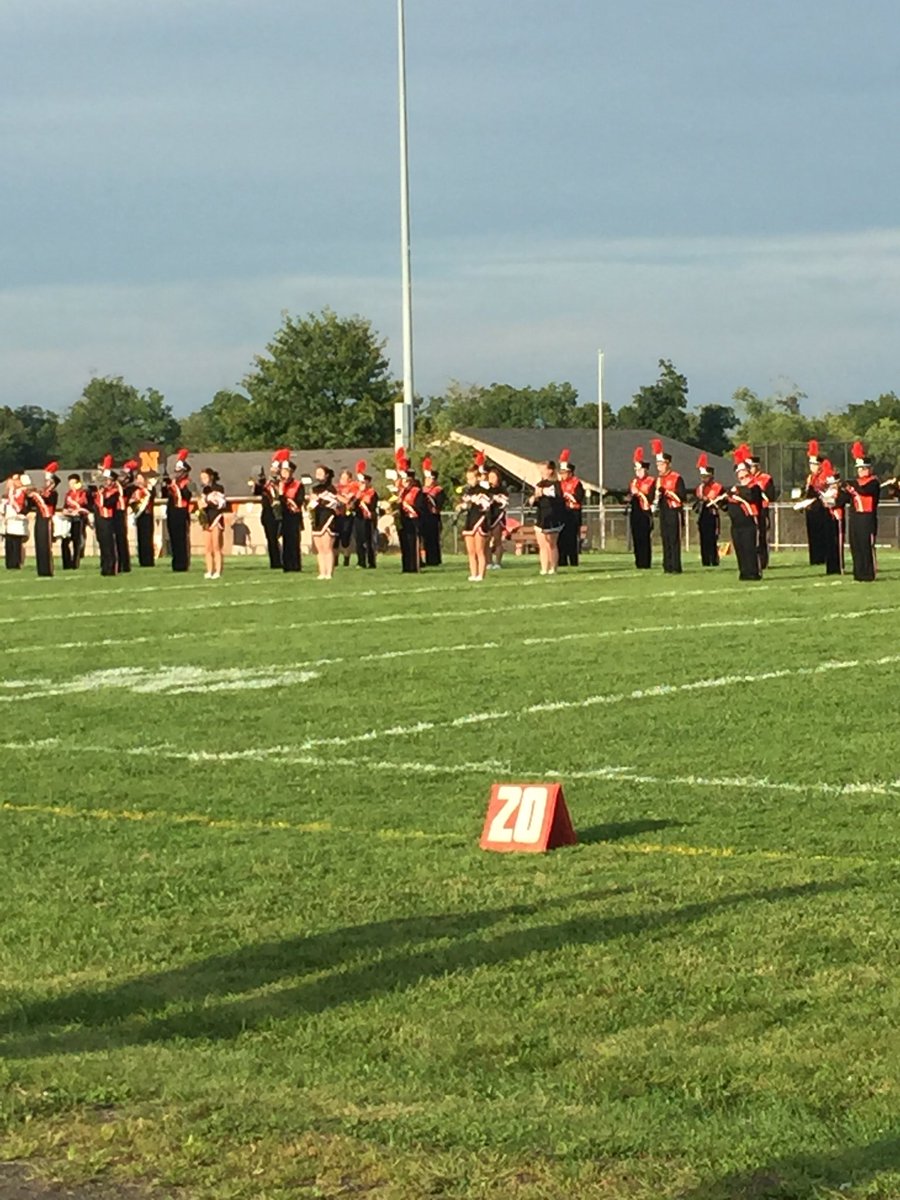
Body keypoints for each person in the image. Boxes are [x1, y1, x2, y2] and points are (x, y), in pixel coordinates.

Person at [719, 454, 763, 580]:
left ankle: (754, 573)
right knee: (740, 549)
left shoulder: (754, 487)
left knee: (750, 548)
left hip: (749, 523)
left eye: (743, 471)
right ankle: (743, 572)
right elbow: (727, 506)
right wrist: (723, 500)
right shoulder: (736, 488)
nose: (741, 474)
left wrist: (736, 492)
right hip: (736, 524)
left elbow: (751, 497)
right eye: (738, 472)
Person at [841, 441, 880, 582]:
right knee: (855, 545)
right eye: (859, 468)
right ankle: (858, 573)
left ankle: (868, 573)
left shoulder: (873, 482)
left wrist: (851, 486)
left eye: (863, 468)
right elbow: (846, 498)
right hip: (855, 517)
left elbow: (864, 491)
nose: (860, 471)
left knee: (865, 545)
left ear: (868, 469)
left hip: (867, 517)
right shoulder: (856, 483)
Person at [652, 439, 686, 574]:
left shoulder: (677, 478)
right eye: (657, 464)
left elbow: (682, 497)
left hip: (674, 510)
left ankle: (676, 566)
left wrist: (666, 492)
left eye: (661, 464)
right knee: (665, 538)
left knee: (674, 539)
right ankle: (667, 565)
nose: (659, 467)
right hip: (664, 510)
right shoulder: (658, 479)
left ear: (668, 464)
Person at [528, 460, 566, 576]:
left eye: (543, 470)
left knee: (551, 544)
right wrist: (534, 498)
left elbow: (558, 497)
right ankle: (544, 568)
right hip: (541, 516)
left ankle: (553, 567)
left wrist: (544, 492)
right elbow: (536, 502)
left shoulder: (557, 484)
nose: (541, 472)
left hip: (553, 516)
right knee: (542, 545)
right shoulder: (540, 484)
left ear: (550, 471)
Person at [457, 464, 491, 581]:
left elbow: (486, 506)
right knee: (471, 551)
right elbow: (467, 504)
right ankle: (473, 573)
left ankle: (481, 574)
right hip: (470, 520)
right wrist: (462, 506)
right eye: (468, 478)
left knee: (479, 550)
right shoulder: (468, 491)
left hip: (480, 520)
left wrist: (475, 500)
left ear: (478, 478)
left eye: (471, 478)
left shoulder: (483, 491)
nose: (469, 481)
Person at [309, 464, 342, 579]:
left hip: (328, 518)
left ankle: (329, 572)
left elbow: (336, 503)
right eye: (316, 472)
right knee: (319, 549)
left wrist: (323, 500)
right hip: (317, 518)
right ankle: (322, 572)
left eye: (320, 472)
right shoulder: (314, 489)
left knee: (327, 547)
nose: (317, 474)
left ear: (327, 475)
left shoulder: (332, 489)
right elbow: (311, 503)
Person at [747, 451, 779, 570]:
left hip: (763, 510)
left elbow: (771, 496)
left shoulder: (766, 478)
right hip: (750, 510)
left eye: (751, 467)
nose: (750, 470)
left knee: (763, 536)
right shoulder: (747, 480)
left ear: (757, 466)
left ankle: (763, 561)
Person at [396, 448, 425, 574]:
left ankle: (414, 566)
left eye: (407, 480)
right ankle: (406, 566)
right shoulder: (402, 491)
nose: (405, 483)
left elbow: (419, 506)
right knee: (404, 543)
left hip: (414, 519)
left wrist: (410, 508)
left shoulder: (417, 491)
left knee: (413, 543)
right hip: (403, 519)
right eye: (404, 480)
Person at [251, 455, 283, 569]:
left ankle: (285, 559)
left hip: (282, 512)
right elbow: (256, 491)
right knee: (271, 539)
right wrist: (257, 481)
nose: (274, 471)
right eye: (272, 468)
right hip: (269, 514)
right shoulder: (265, 483)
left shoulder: (282, 482)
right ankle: (275, 562)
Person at [164, 449, 192, 572]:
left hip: (182, 513)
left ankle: (183, 563)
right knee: (173, 538)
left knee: (182, 539)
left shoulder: (188, 483)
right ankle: (175, 563)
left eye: (179, 471)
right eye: (176, 471)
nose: (177, 473)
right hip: (172, 512)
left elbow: (187, 495)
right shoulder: (174, 484)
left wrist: (175, 487)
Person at [626, 447, 654, 569]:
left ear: (645, 469)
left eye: (639, 469)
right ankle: (638, 561)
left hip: (645, 511)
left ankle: (646, 562)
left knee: (645, 538)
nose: (637, 472)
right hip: (635, 511)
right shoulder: (633, 482)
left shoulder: (651, 481)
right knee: (636, 537)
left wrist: (639, 494)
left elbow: (651, 496)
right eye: (636, 469)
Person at [803, 440, 830, 566]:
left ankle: (823, 557)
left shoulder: (824, 475)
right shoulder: (810, 477)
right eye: (810, 464)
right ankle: (814, 558)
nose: (811, 466)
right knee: (812, 534)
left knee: (821, 534)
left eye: (813, 464)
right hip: (811, 508)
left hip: (821, 509)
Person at [29, 463, 58, 577]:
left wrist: (36, 495)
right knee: (39, 544)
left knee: (46, 545)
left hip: (47, 520)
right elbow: (32, 504)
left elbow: (48, 502)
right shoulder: (42, 493)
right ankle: (41, 569)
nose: (45, 483)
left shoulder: (53, 494)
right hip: (39, 519)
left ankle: (48, 570)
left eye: (48, 481)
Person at [94, 456, 122, 576]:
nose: (105, 482)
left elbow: (108, 503)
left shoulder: (114, 492)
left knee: (110, 544)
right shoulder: (102, 491)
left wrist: (100, 495)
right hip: (100, 519)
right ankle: (104, 567)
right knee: (102, 544)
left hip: (108, 520)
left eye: (108, 480)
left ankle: (112, 567)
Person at [694, 453, 723, 567]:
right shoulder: (699, 488)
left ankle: (714, 560)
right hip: (703, 514)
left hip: (713, 514)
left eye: (705, 476)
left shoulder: (717, 487)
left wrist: (708, 499)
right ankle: (705, 560)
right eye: (702, 477)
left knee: (712, 538)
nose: (703, 479)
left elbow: (718, 500)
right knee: (703, 538)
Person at [557, 448, 585, 568]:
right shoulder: (559, 484)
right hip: (562, 513)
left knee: (572, 538)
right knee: (561, 538)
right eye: (561, 472)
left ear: (570, 472)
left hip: (573, 513)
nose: (562, 475)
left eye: (564, 472)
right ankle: (562, 561)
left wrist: (569, 496)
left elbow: (579, 497)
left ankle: (573, 561)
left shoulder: (576, 483)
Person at [277, 453, 304, 573]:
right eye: (283, 471)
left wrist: (287, 499)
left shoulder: (298, 485)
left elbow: (299, 501)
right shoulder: (279, 485)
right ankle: (286, 565)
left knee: (294, 541)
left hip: (294, 516)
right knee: (285, 541)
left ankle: (295, 565)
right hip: (283, 516)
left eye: (287, 471)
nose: (284, 474)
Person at [199, 467, 228, 579]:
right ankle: (209, 570)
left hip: (216, 517)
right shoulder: (203, 490)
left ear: (211, 477)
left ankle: (218, 571)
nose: (203, 480)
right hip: (206, 518)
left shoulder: (219, 488)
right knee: (207, 547)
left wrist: (207, 501)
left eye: (205, 477)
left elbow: (220, 504)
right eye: (202, 478)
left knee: (216, 546)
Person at [819, 462, 846, 576]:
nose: (832, 486)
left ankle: (840, 567)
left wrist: (831, 502)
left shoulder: (841, 492)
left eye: (834, 484)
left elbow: (840, 502)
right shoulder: (828, 491)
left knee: (838, 543)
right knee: (829, 543)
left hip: (838, 517)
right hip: (829, 518)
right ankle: (830, 568)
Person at [61, 473, 91, 570]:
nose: (71, 485)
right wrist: (66, 511)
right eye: (70, 483)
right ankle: (66, 563)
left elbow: (87, 507)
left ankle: (75, 562)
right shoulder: (68, 494)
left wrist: (79, 511)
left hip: (79, 519)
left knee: (76, 542)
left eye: (73, 483)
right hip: (69, 519)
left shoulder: (83, 493)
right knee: (65, 542)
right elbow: (65, 507)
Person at [420, 457, 446, 567]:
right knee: (424, 539)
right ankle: (425, 559)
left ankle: (434, 560)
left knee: (433, 539)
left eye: (430, 479)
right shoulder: (422, 489)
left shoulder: (438, 490)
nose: (427, 481)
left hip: (433, 516)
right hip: (423, 516)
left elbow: (439, 503)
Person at [353, 461, 379, 568]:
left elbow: (372, 506)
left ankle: (371, 562)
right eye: (360, 482)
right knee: (359, 540)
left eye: (363, 482)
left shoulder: (372, 493)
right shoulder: (358, 493)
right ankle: (361, 561)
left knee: (368, 541)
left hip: (368, 519)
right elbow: (354, 505)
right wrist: (358, 495)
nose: (361, 484)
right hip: (358, 518)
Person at [131, 471, 157, 567]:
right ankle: (142, 560)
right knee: (140, 538)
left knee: (148, 538)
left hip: (147, 515)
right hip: (139, 516)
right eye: (137, 479)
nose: (139, 481)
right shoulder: (135, 490)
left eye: (141, 479)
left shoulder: (148, 489)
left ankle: (149, 560)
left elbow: (152, 496)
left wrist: (149, 487)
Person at [3, 472, 29, 569]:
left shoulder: (22, 492)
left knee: (17, 543)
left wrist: (21, 513)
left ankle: (17, 563)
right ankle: (9, 563)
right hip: (8, 522)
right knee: (9, 543)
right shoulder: (8, 494)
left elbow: (25, 506)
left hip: (18, 521)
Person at [485, 466, 508, 571]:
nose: (491, 479)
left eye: (493, 477)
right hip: (487, 516)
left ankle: (498, 562)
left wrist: (495, 498)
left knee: (497, 540)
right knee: (486, 540)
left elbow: (504, 501)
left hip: (497, 516)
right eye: (489, 477)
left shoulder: (502, 490)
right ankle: (489, 562)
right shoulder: (485, 489)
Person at [115, 459, 135, 573]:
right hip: (116, 513)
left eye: (123, 476)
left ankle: (125, 564)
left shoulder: (129, 488)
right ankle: (120, 563)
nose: (120, 478)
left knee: (121, 539)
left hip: (121, 513)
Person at [336, 469, 359, 567]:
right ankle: (335, 559)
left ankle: (346, 559)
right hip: (337, 514)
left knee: (346, 538)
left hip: (347, 515)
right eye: (341, 478)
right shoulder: (337, 488)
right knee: (336, 538)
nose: (342, 480)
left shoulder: (353, 487)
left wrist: (341, 497)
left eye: (345, 478)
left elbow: (349, 500)